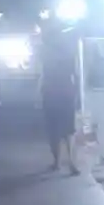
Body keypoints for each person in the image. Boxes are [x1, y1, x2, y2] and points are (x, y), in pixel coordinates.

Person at [39, 30, 80, 175]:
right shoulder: (68, 57)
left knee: (54, 131)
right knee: (69, 131)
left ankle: (57, 162)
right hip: (66, 95)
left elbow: (42, 78)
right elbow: (75, 76)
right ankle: (71, 163)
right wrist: (77, 94)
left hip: (51, 96)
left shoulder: (46, 57)